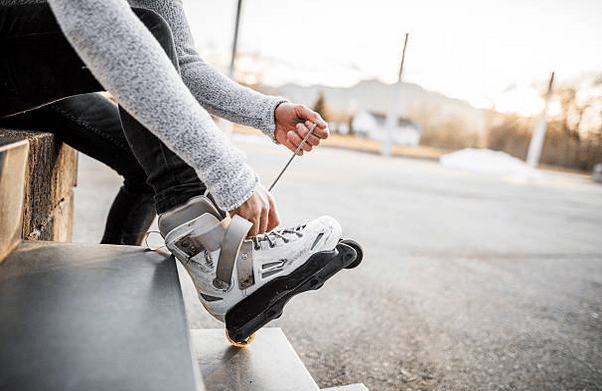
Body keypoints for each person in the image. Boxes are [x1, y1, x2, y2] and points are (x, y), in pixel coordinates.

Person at [0, 0, 351, 342]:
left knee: (148, 155)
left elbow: (178, 59)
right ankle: (213, 260)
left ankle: (105, 291)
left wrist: (266, 111)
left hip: (31, 67)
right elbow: (96, 19)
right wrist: (228, 171)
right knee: (143, 30)